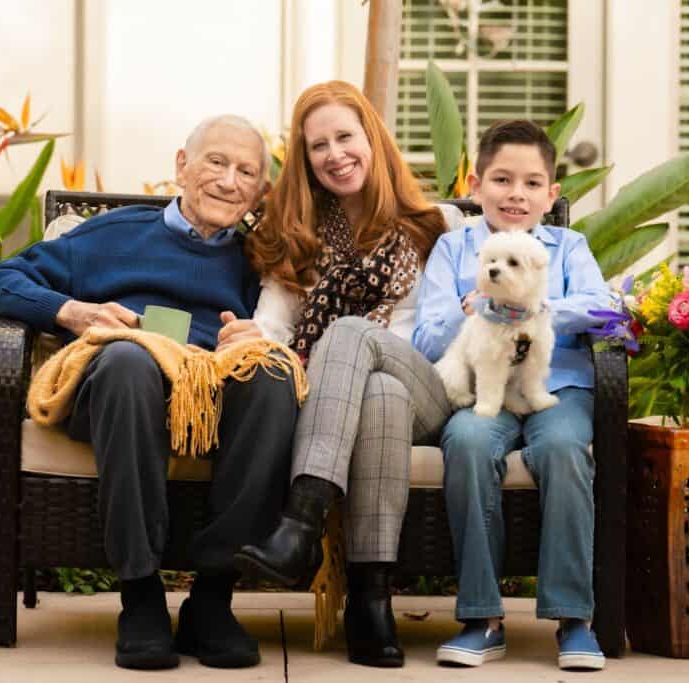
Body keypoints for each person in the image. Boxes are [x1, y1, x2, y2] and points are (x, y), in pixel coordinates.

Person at [0, 115, 298, 671]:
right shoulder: (110, 235)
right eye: (216, 162)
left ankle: (213, 600)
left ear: (260, 192)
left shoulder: (256, 262)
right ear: (181, 166)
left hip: (207, 402)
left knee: (270, 377)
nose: (228, 180)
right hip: (114, 391)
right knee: (129, 359)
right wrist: (73, 312)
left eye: (247, 172)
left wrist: (257, 336)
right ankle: (141, 594)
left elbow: (286, 326)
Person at [234, 80, 457, 668]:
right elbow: (274, 327)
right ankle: (370, 601)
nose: (334, 154)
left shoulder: (437, 227)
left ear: (372, 140)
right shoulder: (298, 233)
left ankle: (300, 525)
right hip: (348, 403)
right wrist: (243, 337)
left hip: (430, 390)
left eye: (344, 136)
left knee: (354, 335)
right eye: (317, 145)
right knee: (377, 392)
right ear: (305, 161)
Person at [412, 119, 612, 671]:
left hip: (557, 385)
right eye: (502, 180)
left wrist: (540, 312)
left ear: (551, 194)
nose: (515, 194)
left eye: (531, 183)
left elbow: (603, 308)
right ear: (476, 185)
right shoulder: (456, 250)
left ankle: (574, 619)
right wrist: (474, 304)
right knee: (471, 443)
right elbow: (425, 336)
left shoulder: (568, 247)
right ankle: (481, 617)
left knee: (564, 450)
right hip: (481, 389)